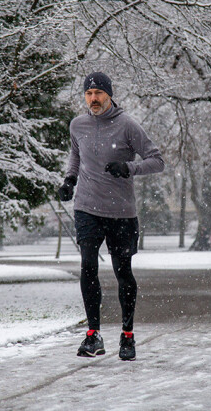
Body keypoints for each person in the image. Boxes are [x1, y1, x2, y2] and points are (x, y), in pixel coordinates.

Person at [58, 71, 165, 361]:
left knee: (123, 273)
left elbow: (157, 161)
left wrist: (128, 168)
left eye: (99, 94)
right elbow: (76, 156)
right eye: (89, 94)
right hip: (86, 208)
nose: (93, 99)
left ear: (109, 95)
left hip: (121, 213)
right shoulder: (77, 125)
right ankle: (93, 335)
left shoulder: (128, 126)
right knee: (88, 267)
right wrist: (69, 180)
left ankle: (127, 336)